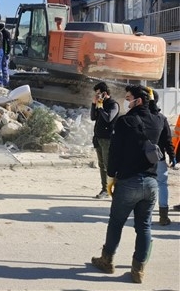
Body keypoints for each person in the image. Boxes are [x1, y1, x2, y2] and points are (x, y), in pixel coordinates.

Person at [91, 85, 164, 284]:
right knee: (144, 226)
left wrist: (112, 176)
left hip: (128, 181)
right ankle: (138, 269)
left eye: (129, 97)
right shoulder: (158, 120)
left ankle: (107, 260)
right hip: (151, 183)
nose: (126, 101)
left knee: (116, 223)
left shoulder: (125, 121)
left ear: (138, 100)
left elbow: (115, 151)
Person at [90, 82, 119, 199]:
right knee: (102, 165)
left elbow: (108, 118)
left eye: (98, 94)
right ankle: (105, 189)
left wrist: (101, 106)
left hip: (108, 139)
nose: (97, 96)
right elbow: (93, 117)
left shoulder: (113, 104)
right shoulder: (99, 103)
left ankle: (115, 190)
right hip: (98, 138)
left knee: (109, 166)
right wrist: (94, 104)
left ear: (105, 93)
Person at [153, 91, 176, 226]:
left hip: (140, 159)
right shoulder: (161, 118)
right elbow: (168, 140)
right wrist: (172, 156)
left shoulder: (136, 117)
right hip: (159, 156)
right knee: (162, 184)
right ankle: (163, 216)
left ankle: (144, 215)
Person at [0, 21, 11, 87]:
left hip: (5, 53)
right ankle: (4, 82)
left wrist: (7, 53)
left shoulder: (5, 33)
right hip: (2, 52)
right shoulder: (1, 33)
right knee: (2, 67)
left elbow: (8, 44)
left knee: (4, 67)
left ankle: (6, 83)